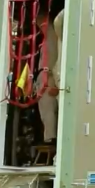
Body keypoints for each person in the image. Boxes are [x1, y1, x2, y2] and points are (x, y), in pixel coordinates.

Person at [35, 9, 64, 142]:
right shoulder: (47, 37)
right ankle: (49, 136)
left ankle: (51, 138)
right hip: (45, 75)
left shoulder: (52, 36)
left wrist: (51, 81)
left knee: (48, 108)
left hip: (48, 76)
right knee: (45, 109)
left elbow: (53, 58)